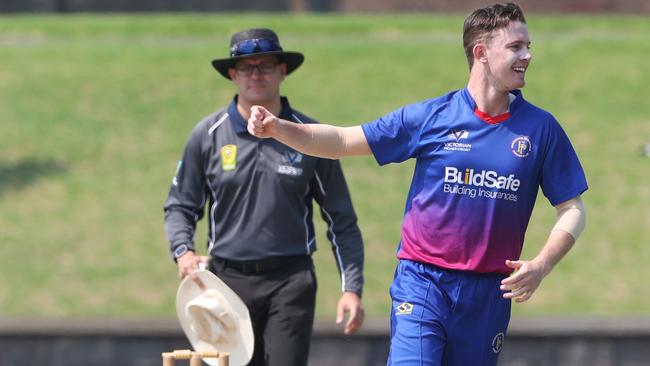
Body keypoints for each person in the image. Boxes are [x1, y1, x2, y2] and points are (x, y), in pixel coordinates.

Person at [247, 3, 587, 365]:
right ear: (481, 53)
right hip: (423, 281)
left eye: (528, 45)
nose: (528, 55)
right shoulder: (432, 117)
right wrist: (279, 128)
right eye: (516, 47)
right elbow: (344, 140)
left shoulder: (541, 129)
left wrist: (543, 264)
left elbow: (573, 209)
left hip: (488, 294)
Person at [163, 28, 365, 366]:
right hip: (225, 283)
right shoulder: (207, 136)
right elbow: (180, 206)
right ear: (232, 74)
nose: (256, 74)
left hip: (290, 281)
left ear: (282, 71)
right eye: (246, 67)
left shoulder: (310, 136)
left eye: (266, 65)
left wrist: (352, 288)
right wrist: (183, 251)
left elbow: (341, 220)